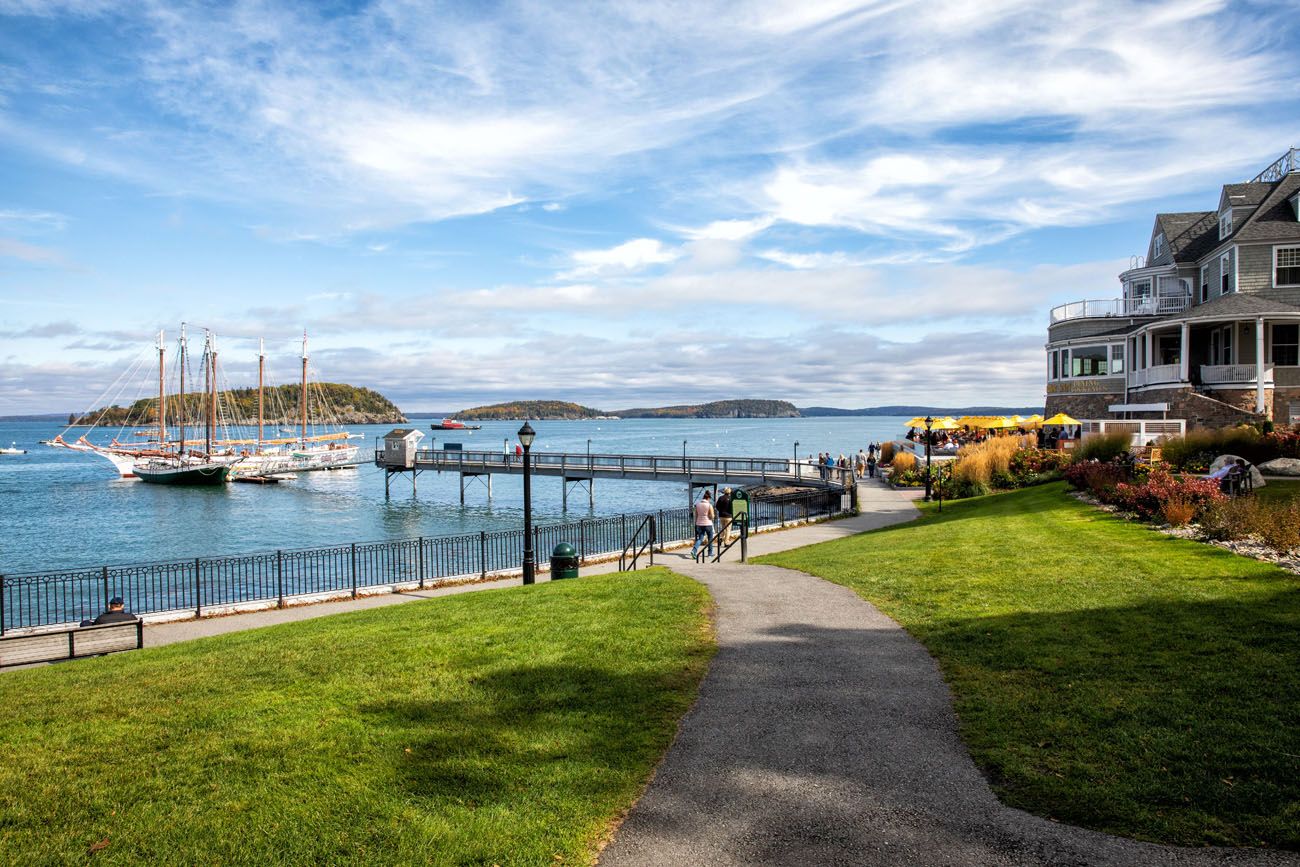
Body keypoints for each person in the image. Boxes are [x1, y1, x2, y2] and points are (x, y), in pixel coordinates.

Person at [690, 490, 716, 560]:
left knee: (700, 539)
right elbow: (712, 516)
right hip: (708, 524)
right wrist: (710, 516)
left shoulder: (697, 505)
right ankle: (710, 553)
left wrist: (696, 523)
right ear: (708, 498)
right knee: (710, 538)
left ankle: (694, 550)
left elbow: (696, 515)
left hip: (699, 524)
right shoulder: (709, 505)